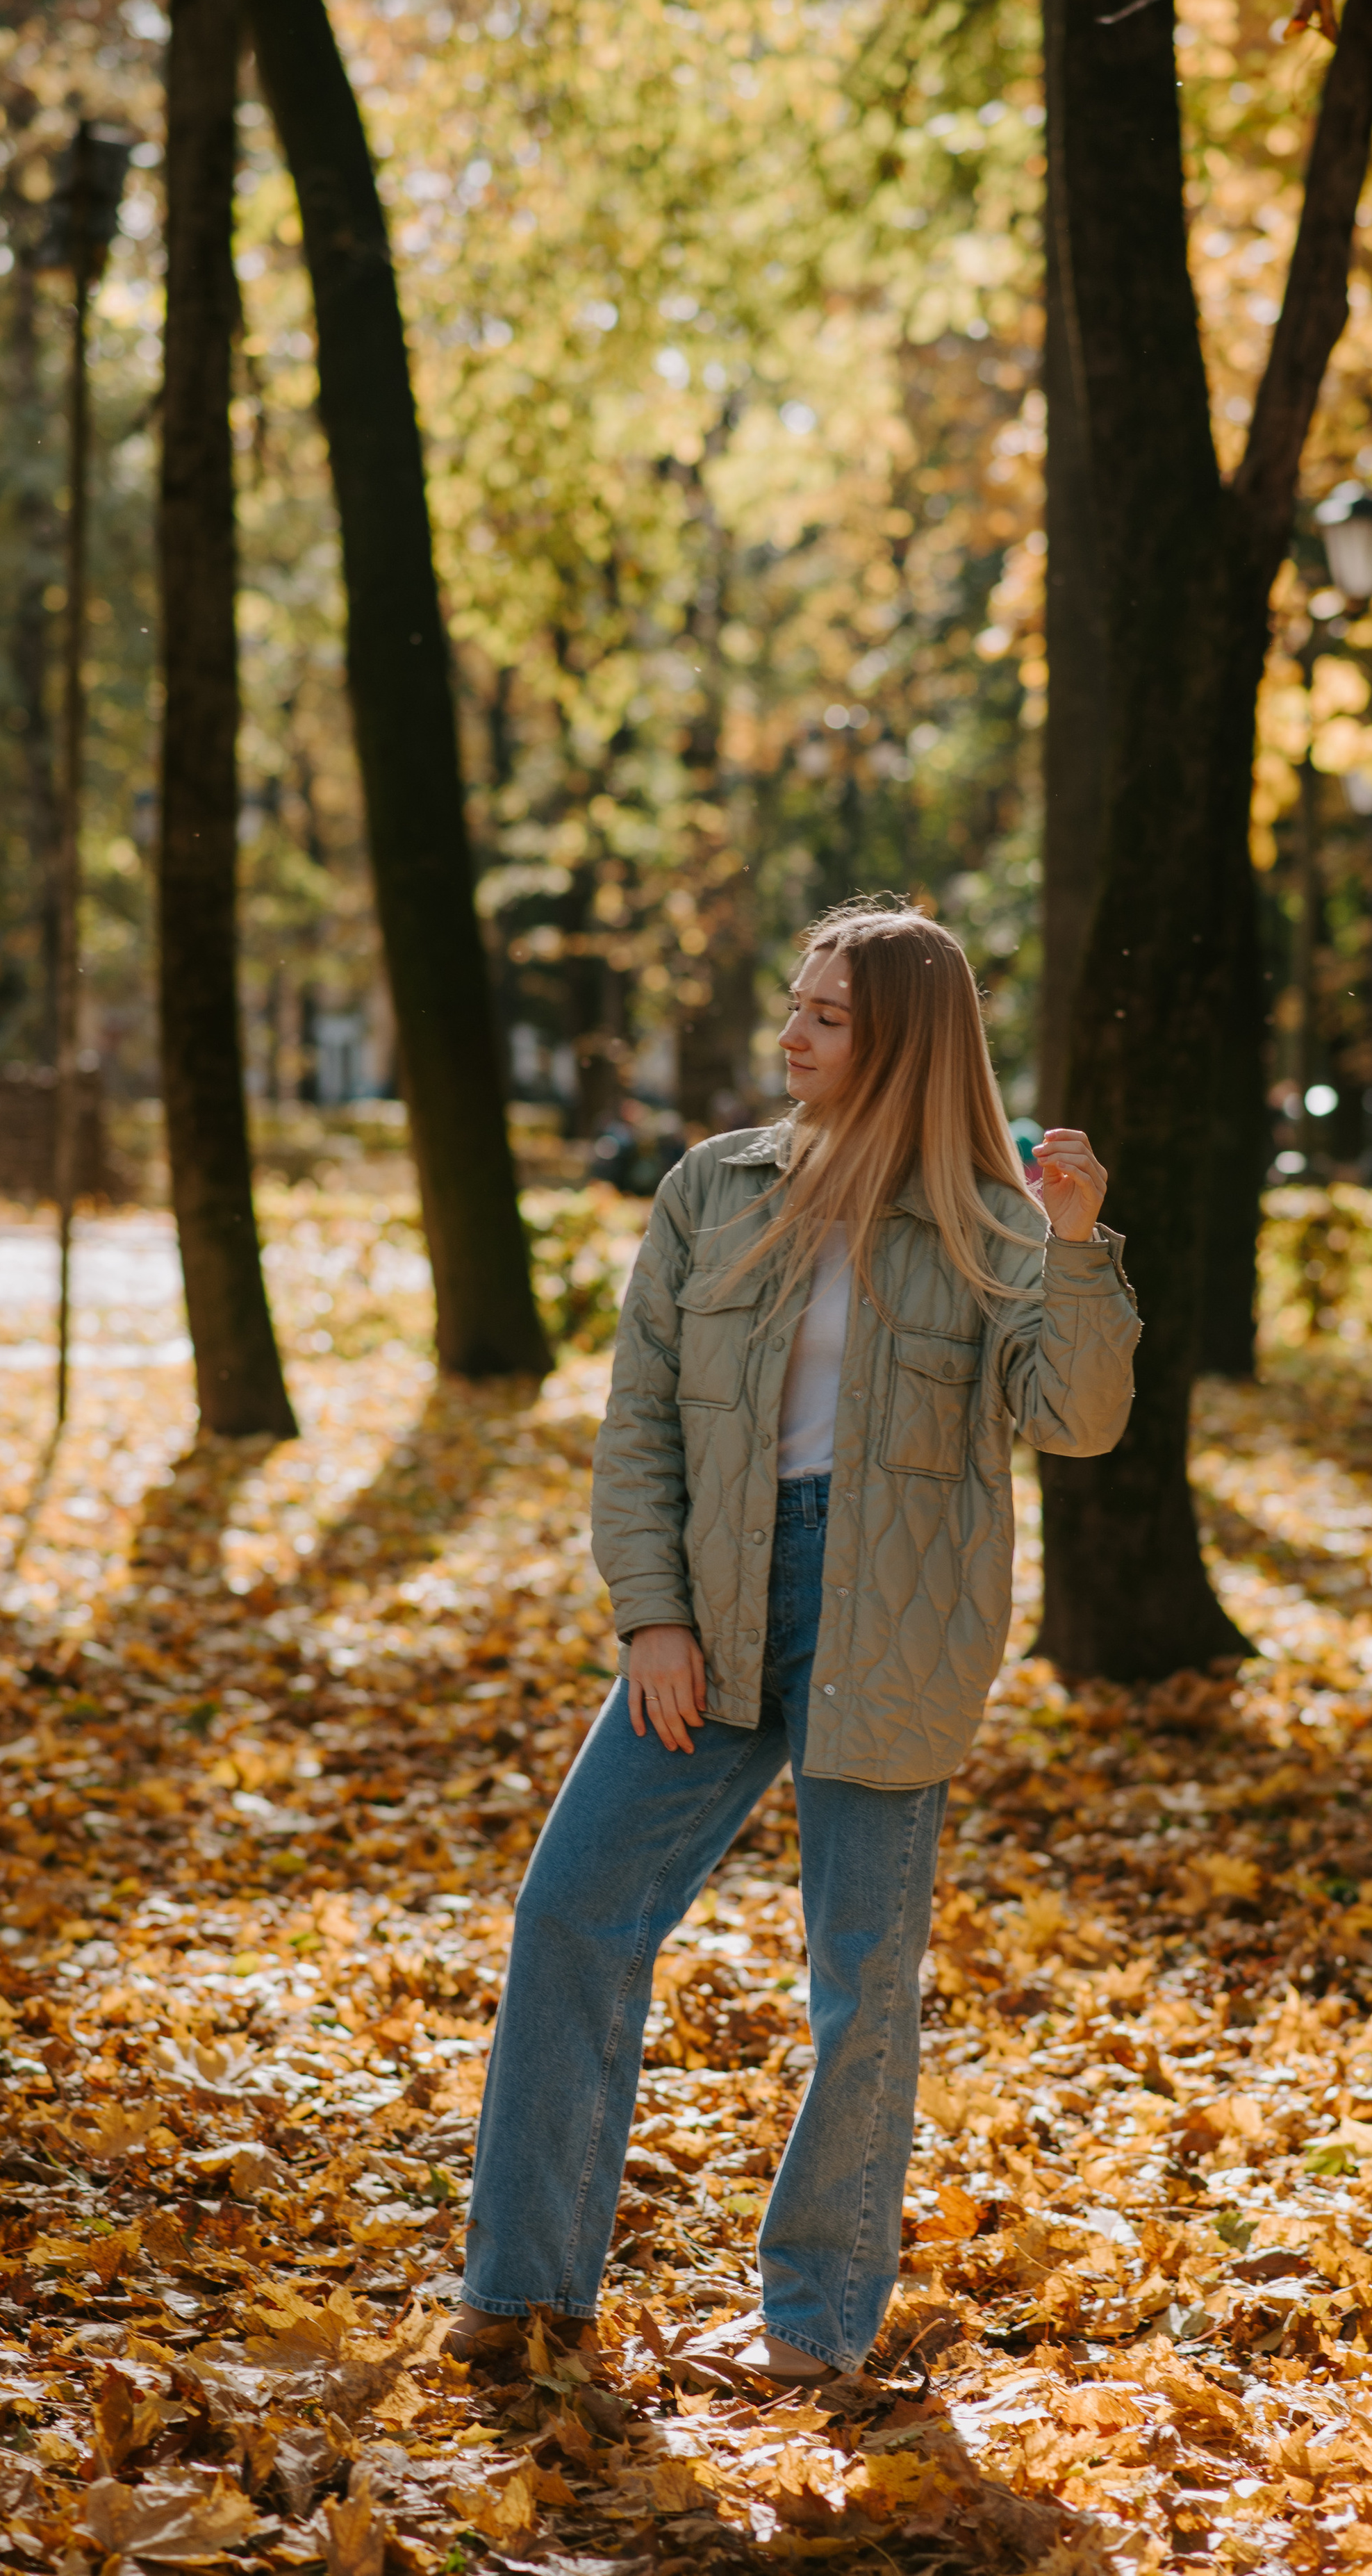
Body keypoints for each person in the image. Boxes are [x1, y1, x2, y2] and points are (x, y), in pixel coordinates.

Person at [441, 902, 1141, 2389]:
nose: (791, 1032)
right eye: (797, 1003)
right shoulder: (712, 1189)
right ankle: (521, 2293)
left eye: (824, 1013)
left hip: (891, 1624)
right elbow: (640, 1424)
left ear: (895, 1037)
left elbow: (1076, 1421)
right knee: (571, 1908)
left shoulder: (991, 1217)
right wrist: (652, 1617)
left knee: (860, 1983)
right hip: (715, 1603)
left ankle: (814, 2332)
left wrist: (1076, 1253)